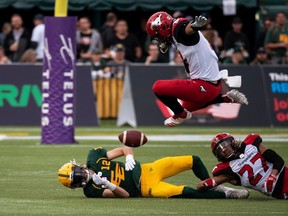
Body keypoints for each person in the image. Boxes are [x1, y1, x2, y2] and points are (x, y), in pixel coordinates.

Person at [145, 11, 248, 127]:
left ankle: (180, 115)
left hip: (204, 86)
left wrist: (194, 26)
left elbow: (186, 30)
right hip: (213, 87)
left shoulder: (178, 29)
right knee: (185, 106)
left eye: (158, 36)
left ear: (163, 27)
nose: (159, 40)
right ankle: (224, 99)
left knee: (158, 87)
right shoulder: (175, 30)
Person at [58, 144, 249, 199]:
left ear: (78, 165)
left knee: (193, 160)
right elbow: (124, 196)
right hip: (145, 188)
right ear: (76, 186)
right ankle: (228, 195)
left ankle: (215, 185)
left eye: (78, 173)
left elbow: (125, 148)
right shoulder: (91, 191)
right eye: (77, 180)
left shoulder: (94, 156)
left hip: (147, 168)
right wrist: (109, 184)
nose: (82, 176)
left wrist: (129, 157)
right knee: (185, 192)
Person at [197, 132, 288, 199]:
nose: (223, 150)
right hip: (280, 191)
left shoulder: (251, 145)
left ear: (232, 141)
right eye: (219, 150)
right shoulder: (228, 169)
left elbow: (278, 160)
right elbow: (200, 186)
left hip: (284, 173)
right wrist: (207, 184)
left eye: (224, 145)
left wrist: (272, 176)